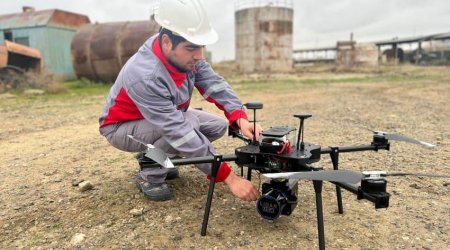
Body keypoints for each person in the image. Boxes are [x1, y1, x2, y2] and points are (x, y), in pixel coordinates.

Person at [99, 0, 262, 202]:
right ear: (167, 42)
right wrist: (228, 177)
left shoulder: (183, 54)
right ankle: (149, 176)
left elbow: (214, 84)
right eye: (192, 48)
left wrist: (239, 117)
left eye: (201, 47)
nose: (200, 56)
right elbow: (176, 129)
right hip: (120, 128)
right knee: (187, 127)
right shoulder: (145, 75)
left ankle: (158, 158)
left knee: (217, 126)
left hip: (162, 119)